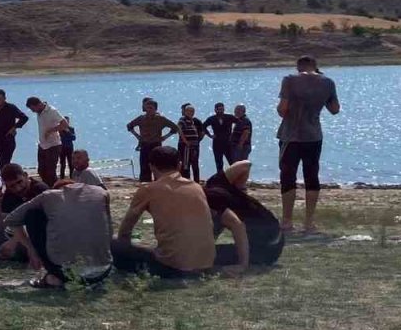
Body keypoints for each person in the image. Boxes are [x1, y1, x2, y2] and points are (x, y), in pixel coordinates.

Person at [112, 146, 249, 277]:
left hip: (173, 268)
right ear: (179, 165)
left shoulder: (148, 190)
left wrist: (124, 249)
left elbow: (125, 230)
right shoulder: (196, 188)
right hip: (206, 264)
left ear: (151, 166)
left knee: (113, 243)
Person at [5, 180, 114, 288]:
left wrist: (31, 250)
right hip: (104, 270)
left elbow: (11, 219)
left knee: (33, 215)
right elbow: (109, 229)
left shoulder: (49, 196)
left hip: (68, 273)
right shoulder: (101, 192)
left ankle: (53, 278)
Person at [277, 56, 340, 234]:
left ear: (298, 67)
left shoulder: (289, 80)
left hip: (291, 136)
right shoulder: (328, 82)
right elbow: (335, 109)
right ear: (315, 66)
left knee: (288, 176)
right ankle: (309, 222)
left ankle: (287, 221)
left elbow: (282, 110)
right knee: (311, 176)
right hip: (313, 135)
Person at [204, 161, 284, 266]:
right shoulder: (215, 182)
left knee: (205, 256)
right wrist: (239, 191)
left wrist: (242, 265)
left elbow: (238, 226)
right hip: (277, 237)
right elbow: (246, 164)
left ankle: (244, 262)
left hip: (268, 249)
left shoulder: (210, 202)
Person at [0, 163, 50, 269]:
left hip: (42, 234)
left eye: (19, 182)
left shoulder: (40, 190)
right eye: (12, 186)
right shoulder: (9, 195)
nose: (18, 188)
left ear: (26, 175)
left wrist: (16, 241)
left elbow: (47, 222)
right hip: (20, 235)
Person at [126, 99, 178, 182]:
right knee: (144, 168)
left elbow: (175, 128)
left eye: (151, 108)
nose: (149, 110)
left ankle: (158, 187)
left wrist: (165, 137)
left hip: (156, 145)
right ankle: (145, 187)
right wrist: (138, 136)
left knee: (157, 168)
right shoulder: (141, 118)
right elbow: (129, 126)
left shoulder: (160, 119)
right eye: (147, 108)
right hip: (144, 145)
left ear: (155, 109)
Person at [26, 97, 67, 186]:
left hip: (53, 145)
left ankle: (57, 189)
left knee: (50, 172)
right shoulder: (39, 112)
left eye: (33, 109)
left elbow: (65, 124)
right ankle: (48, 187)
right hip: (42, 145)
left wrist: (51, 130)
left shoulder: (52, 111)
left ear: (38, 105)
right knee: (41, 171)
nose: (33, 111)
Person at [0, 89, 29, 169]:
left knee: (5, 164)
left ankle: (8, 179)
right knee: (1, 164)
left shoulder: (11, 108)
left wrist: (14, 127)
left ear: (4, 98)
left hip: (8, 141)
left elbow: (24, 118)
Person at [204, 102, 238, 175]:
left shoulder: (229, 117)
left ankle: (235, 178)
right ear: (215, 110)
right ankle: (220, 179)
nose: (221, 111)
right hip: (217, 143)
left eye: (222, 109)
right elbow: (203, 126)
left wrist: (234, 135)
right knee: (219, 163)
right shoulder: (212, 119)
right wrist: (210, 135)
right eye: (219, 109)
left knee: (232, 162)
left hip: (228, 143)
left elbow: (239, 123)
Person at [176, 103, 207, 183]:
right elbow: (179, 128)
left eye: (192, 111)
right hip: (186, 146)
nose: (191, 113)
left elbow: (203, 132)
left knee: (194, 163)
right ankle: (185, 180)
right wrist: (185, 141)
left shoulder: (193, 121)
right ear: (185, 111)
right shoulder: (183, 119)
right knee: (185, 164)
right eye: (189, 111)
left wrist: (197, 141)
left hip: (194, 146)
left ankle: (196, 181)